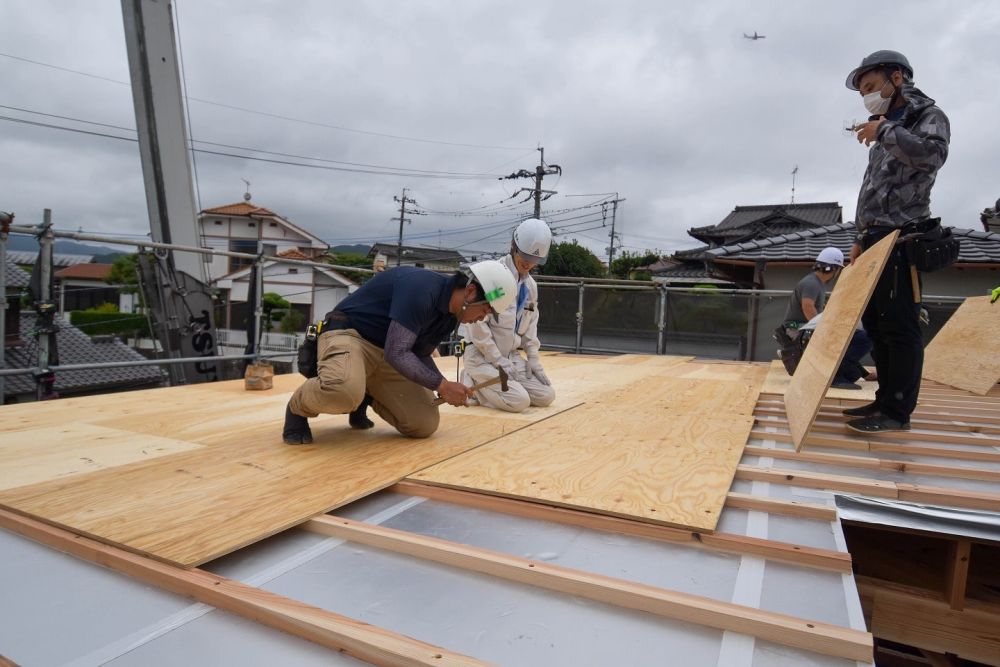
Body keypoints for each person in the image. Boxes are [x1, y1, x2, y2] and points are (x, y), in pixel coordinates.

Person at [282, 260, 517, 444]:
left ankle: (366, 393)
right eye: (485, 309)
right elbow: (397, 352)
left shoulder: (451, 317)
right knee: (343, 389)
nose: (482, 318)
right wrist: (442, 386)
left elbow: (420, 354)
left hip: (387, 352)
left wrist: (443, 384)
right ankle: (298, 407)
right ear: (470, 292)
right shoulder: (422, 289)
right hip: (350, 336)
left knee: (423, 423)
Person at [843, 50, 950, 433]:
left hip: (903, 235)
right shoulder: (885, 123)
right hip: (874, 237)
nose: (867, 96)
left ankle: (897, 411)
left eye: (871, 86)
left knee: (898, 325)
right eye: (862, 92)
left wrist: (884, 131)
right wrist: (859, 236)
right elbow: (871, 189)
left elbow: (932, 157)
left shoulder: (927, 117)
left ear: (897, 78)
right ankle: (882, 401)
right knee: (874, 322)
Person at [461, 218, 556, 412]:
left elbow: (531, 325)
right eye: (526, 256)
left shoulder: (530, 287)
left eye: (536, 259)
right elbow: (477, 325)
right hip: (482, 355)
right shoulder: (494, 276)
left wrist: (533, 360)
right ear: (514, 246)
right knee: (519, 401)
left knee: (546, 396)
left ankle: (489, 383)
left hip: (510, 356)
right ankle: (471, 378)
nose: (529, 263)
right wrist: (497, 360)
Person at [780, 247, 873, 389]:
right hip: (799, 330)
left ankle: (858, 373)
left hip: (804, 328)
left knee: (852, 342)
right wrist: (823, 330)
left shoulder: (817, 282)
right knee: (862, 339)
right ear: (833, 269)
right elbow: (807, 306)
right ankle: (835, 376)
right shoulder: (812, 283)